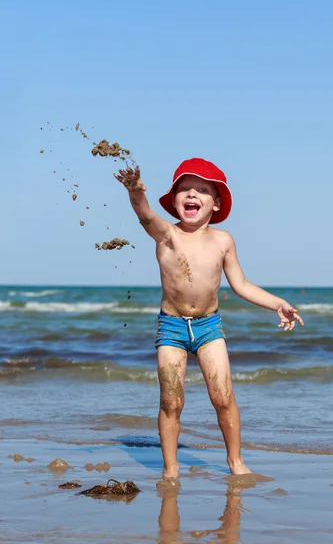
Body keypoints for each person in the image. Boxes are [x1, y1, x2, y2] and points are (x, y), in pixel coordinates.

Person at [114, 158, 304, 483]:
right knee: (171, 401)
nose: (192, 194)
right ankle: (170, 470)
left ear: (215, 203)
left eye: (202, 190)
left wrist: (277, 304)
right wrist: (135, 192)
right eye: (185, 189)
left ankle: (236, 461)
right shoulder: (166, 236)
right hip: (172, 327)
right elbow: (144, 214)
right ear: (174, 201)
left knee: (222, 396)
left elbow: (241, 285)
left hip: (208, 327)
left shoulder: (223, 241)